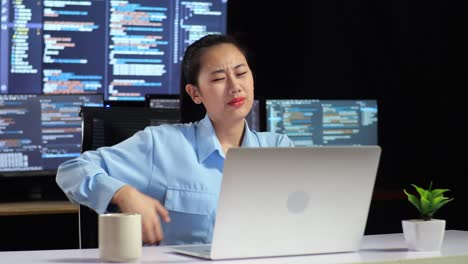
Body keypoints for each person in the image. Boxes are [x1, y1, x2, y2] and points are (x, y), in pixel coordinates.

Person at [56, 34, 294, 246]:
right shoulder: (162, 145)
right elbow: (72, 171)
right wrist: (123, 193)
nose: (235, 87)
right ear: (195, 93)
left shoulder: (279, 148)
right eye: (219, 79)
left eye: (241, 73)